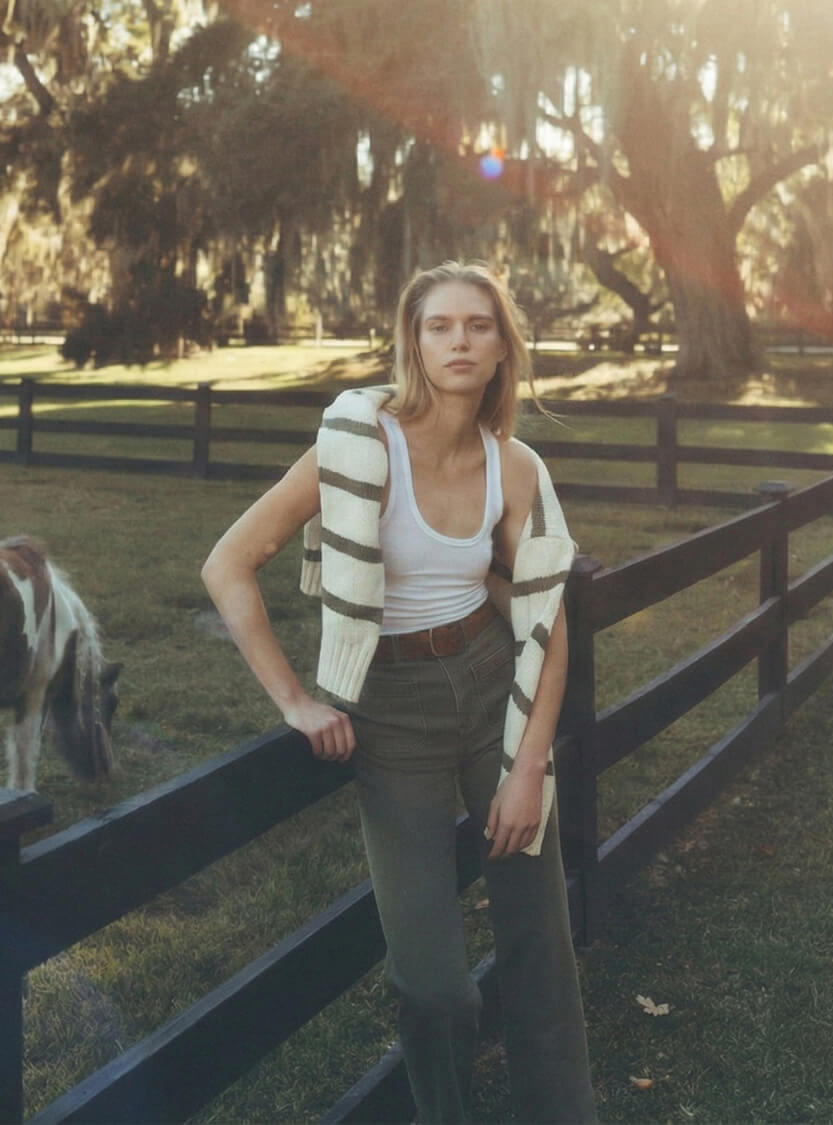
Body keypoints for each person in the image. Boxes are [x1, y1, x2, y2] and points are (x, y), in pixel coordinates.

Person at [199, 261, 597, 1122]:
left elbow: (548, 628)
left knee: (540, 944)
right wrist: (294, 700)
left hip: (496, 689)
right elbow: (228, 562)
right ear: (413, 343)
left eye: (478, 326)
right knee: (435, 985)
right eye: (440, 325)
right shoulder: (356, 445)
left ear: (501, 349)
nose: (460, 340)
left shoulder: (514, 467)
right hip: (393, 709)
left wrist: (528, 767)